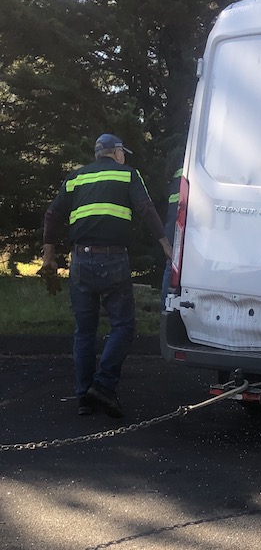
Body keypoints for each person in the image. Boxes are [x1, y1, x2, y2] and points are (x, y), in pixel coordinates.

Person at [41, 134, 173, 417]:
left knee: (84, 331)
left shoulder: (75, 177)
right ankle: (102, 385)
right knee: (123, 326)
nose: (125, 157)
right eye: (123, 152)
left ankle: (84, 397)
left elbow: (52, 214)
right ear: (115, 153)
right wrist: (165, 245)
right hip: (112, 258)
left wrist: (48, 259)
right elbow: (146, 209)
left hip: (80, 260)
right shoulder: (128, 175)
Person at [160, 146, 184, 305]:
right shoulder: (191, 173)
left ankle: (165, 309)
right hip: (183, 225)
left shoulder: (178, 171)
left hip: (172, 224)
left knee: (171, 266)